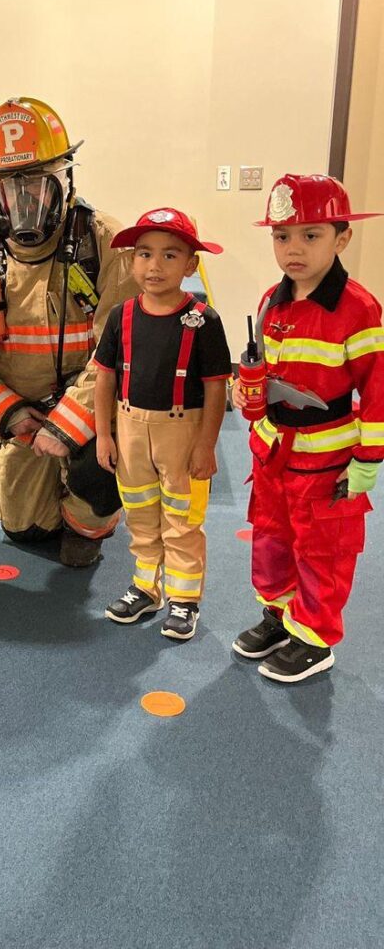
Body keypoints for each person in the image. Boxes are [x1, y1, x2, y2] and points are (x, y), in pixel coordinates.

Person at [0, 96, 139, 567]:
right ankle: (47, 487)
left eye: (37, 184)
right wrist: (10, 414)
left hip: (90, 412)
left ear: (65, 180)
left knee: (102, 463)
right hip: (23, 419)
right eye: (10, 188)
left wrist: (70, 422)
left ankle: (89, 519)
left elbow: (120, 352)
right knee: (24, 528)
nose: (24, 202)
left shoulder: (105, 243)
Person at [231, 174, 384, 682]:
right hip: (273, 451)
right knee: (271, 538)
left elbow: (379, 391)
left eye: (310, 235)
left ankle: (315, 636)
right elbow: (263, 371)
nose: (293, 249)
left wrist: (367, 461)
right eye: (282, 237)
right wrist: (245, 393)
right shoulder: (270, 302)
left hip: (327, 457)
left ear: (342, 239)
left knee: (322, 547)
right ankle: (280, 615)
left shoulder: (358, 309)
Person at [94, 209, 231, 640]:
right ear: (132, 261)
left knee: (182, 519)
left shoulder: (203, 320)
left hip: (183, 433)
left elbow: (215, 388)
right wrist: (103, 432)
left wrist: (206, 445)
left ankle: (184, 599)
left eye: (170, 256)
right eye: (144, 254)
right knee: (140, 514)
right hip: (130, 429)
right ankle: (145, 587)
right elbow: (105, 378)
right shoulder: (121, 316)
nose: (154, 266)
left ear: (191, 265)